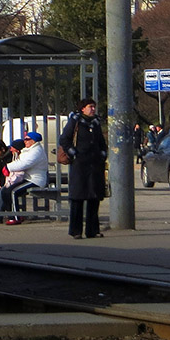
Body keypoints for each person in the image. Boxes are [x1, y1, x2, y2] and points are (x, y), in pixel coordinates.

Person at [59, 97, 108, 239]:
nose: (93, 109)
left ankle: (93, 230)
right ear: (83, 108)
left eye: (94, 106)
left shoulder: (96, 122)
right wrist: (73, 153)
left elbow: (101, 141)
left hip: (95, 165)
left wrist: (103, 152)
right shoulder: (75, 121)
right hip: (79, 165)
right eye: (90, 106)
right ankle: (76, 231)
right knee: (78, 198)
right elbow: (64, 139)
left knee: (94, 197)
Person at [2, 131, 49, 225]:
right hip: (28, 178)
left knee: (13, 192)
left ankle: (15, 217)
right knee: (5, 191)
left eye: (27, 139)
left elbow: (25, 163)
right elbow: (20, 161)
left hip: (35, 180)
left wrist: (8, 167)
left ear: (33, 141)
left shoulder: (36, 151)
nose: (25, 141)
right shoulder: (29, 150)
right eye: (25, 139)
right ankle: (14, 214)